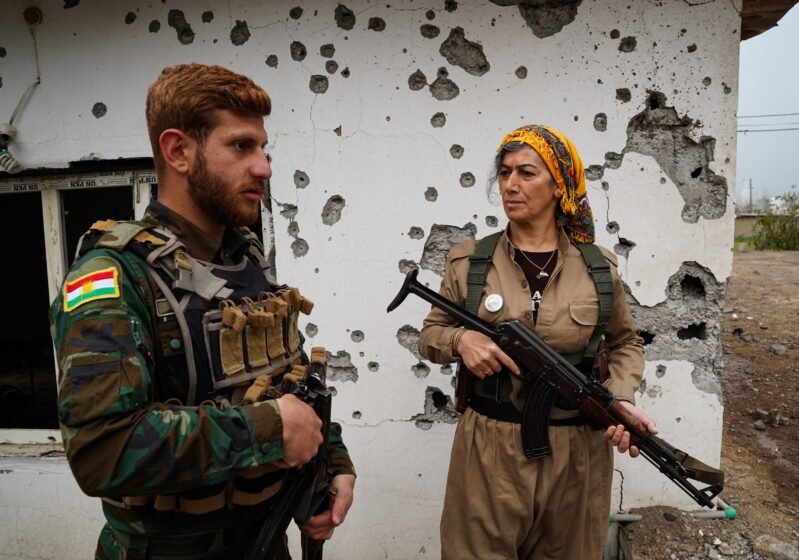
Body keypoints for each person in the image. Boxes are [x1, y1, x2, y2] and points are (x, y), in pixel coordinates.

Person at [50, 63, 355, 560]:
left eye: (263, 148)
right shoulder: (115, 276)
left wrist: (333, 460)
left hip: (266, 539)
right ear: (178, 152)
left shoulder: (245, 258)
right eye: (241, 146)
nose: (264, 167)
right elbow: (100, 451)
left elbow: (291, 382)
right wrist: (267, 431)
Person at [418, 124, 657, 559]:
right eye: (505, 172)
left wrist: (621, 397)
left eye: (526, 173)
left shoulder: (598, 268)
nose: (510, 185)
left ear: (559, 186)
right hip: (488, 446)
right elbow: (430, 334)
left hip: (577, 453)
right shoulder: (470, 262)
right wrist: (461, 339)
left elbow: (626, 342)